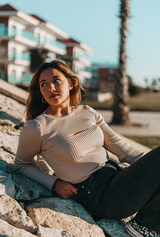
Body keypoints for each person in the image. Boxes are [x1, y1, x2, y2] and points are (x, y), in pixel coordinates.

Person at [14, 60, 160, 236]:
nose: (50, 88)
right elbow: (21, 164)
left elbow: (123, 149)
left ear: (71, 83)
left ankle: (149, 226)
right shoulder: (37, 127)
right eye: (43, 84)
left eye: (56, 80)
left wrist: (150, 168)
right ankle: (144, 227)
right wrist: (55, 184)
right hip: (101, 196)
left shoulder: (87, 112)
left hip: (117, 178)